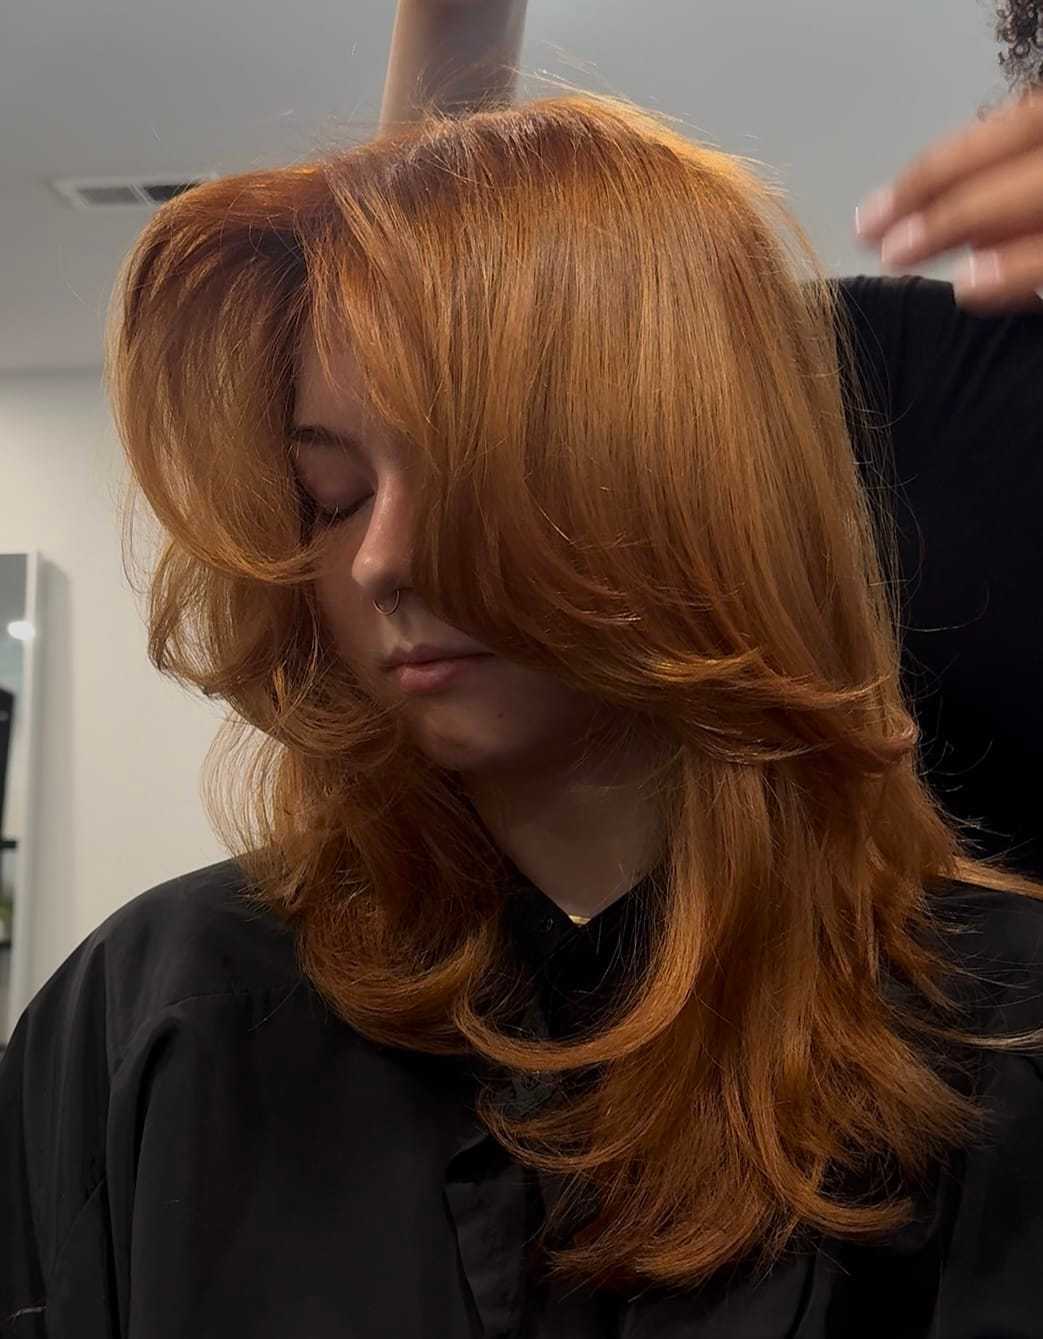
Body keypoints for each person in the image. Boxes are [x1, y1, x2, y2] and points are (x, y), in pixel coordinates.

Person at [3, 5, 1043, 1336]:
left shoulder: (997, 1057)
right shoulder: (163, 1018)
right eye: (327, 493)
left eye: (473, 474)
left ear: (681, 485)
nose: (380, 560)